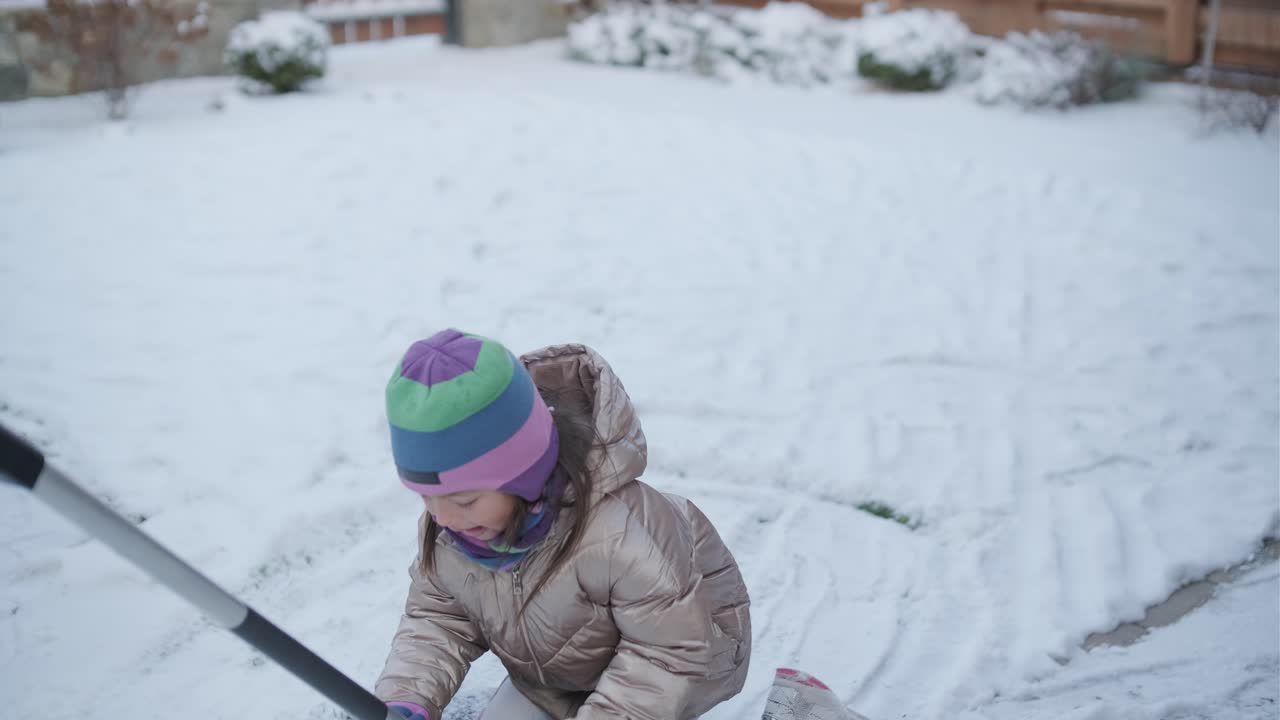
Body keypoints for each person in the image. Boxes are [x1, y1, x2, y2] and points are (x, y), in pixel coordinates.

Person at [375, 329, 752, 720]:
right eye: (426, 497)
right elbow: (439, 619)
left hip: (683, 657)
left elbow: (668, 653)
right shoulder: (452, 530)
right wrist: (407, 697)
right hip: (559, 676)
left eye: (465, 500)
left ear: (522, 473)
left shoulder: (623, 531)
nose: (444, 517)